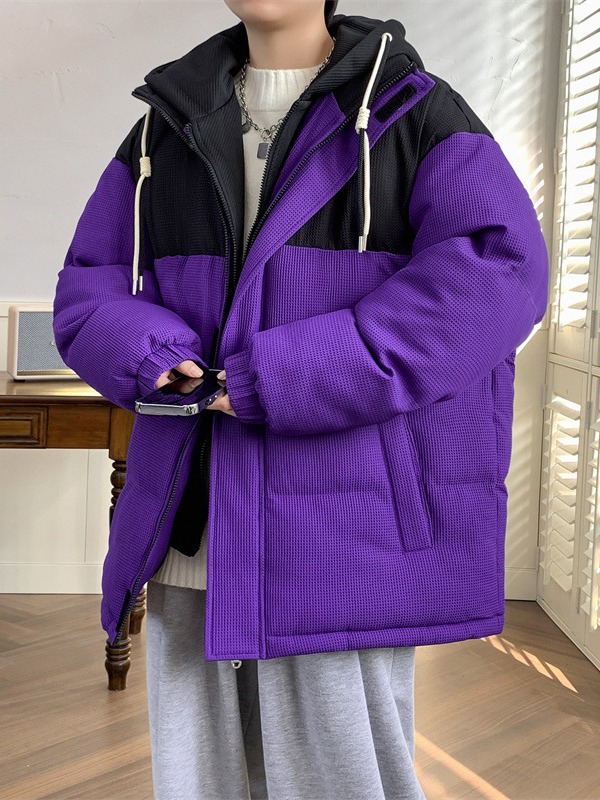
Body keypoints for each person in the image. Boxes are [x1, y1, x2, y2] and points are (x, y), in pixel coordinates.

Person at [52, 1, 549, 798]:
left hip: (341, 527)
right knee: (197, 779)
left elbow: (498, 275)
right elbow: (90, 285)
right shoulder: (163, 128)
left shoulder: (414, 112)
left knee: (341, 777)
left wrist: (279, 376)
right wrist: (153, 353)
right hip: (193, 517)